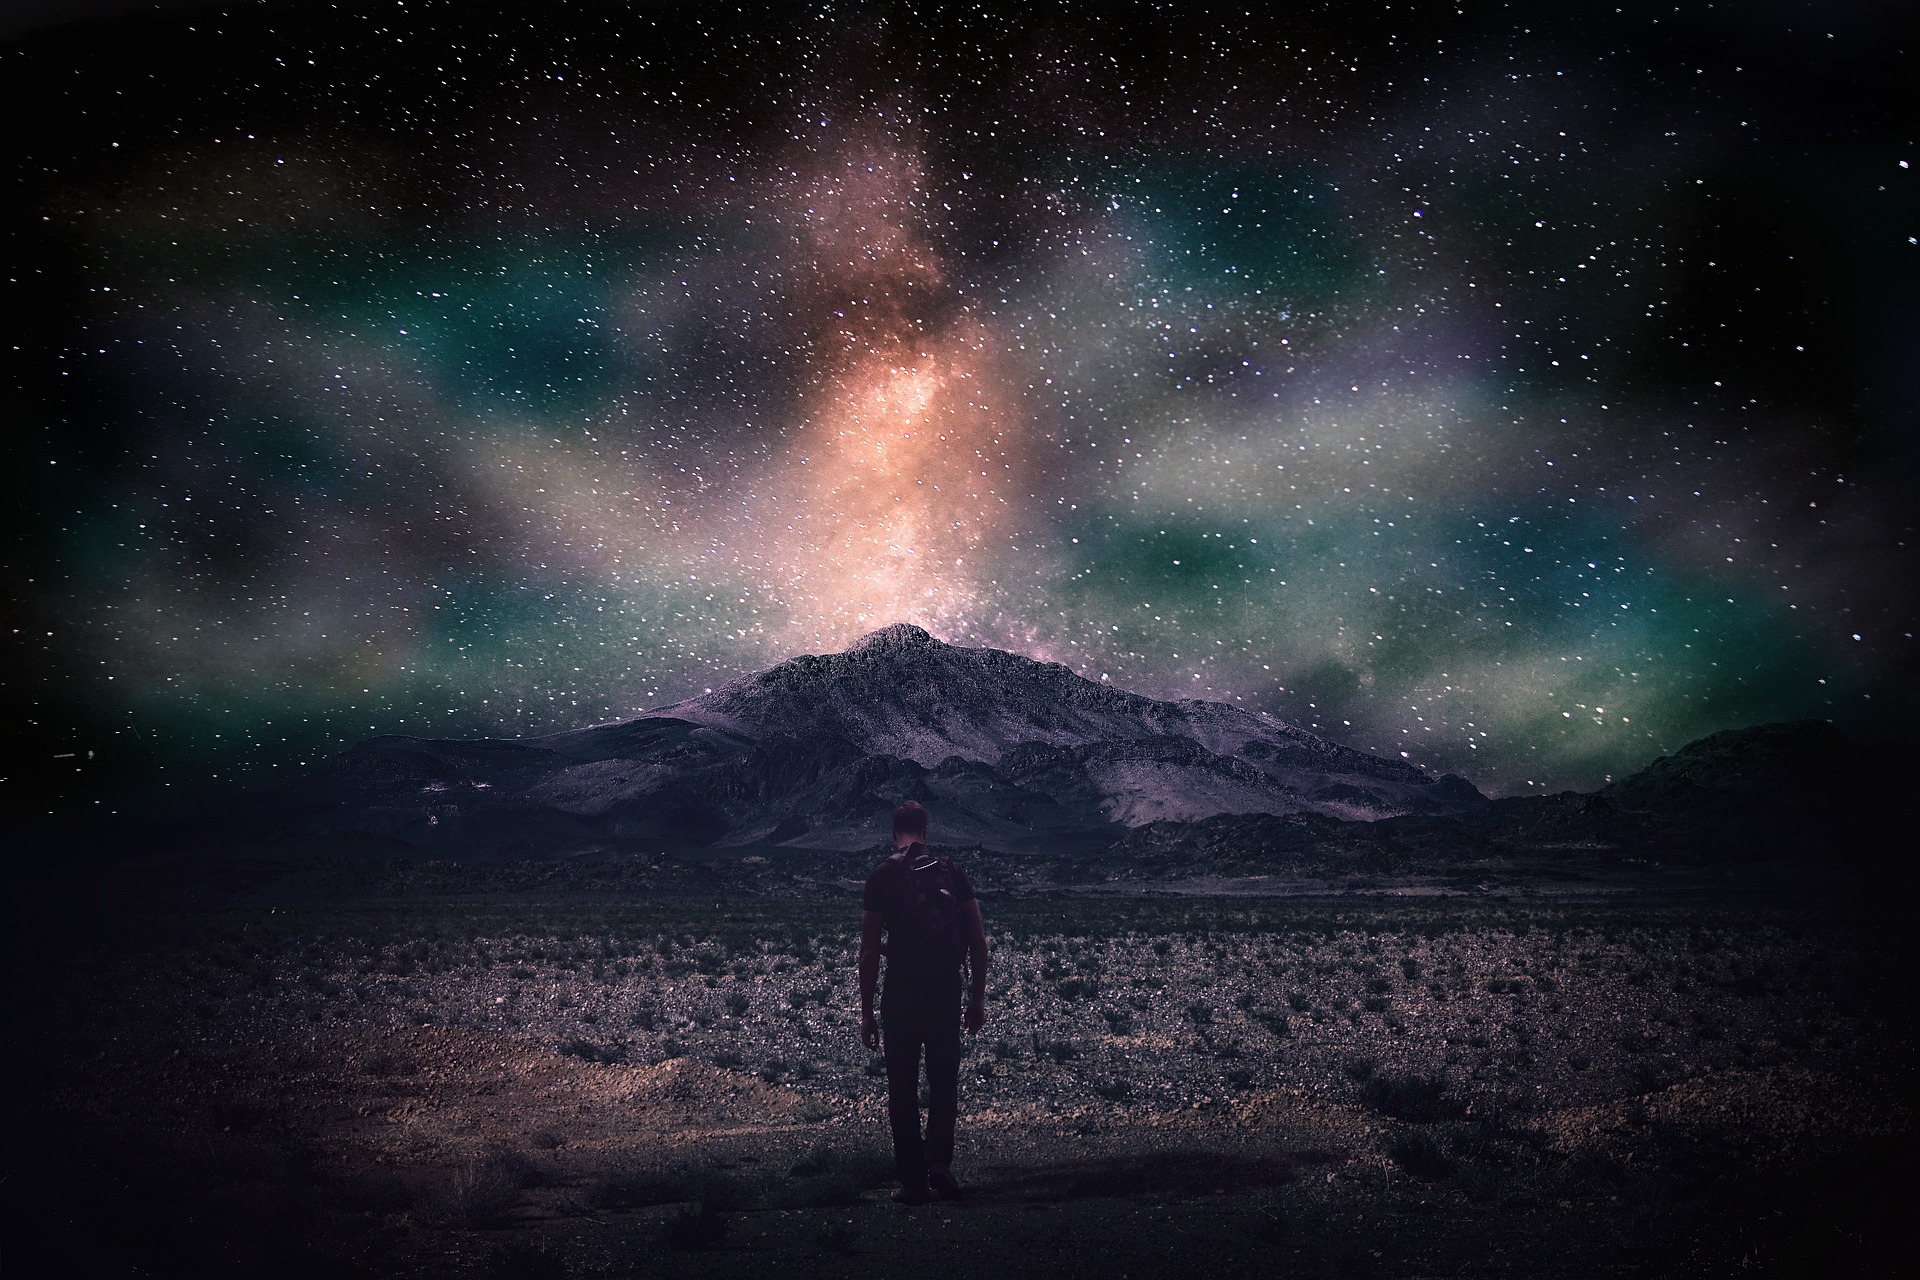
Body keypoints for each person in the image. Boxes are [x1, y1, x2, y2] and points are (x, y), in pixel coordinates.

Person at [859, 800, 989, 1204]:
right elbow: (979, 942)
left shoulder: (882, 875)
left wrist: (866, 1012)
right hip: (946, 992)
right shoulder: (951, 872)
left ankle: (913, 1181)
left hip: (901, 992)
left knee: (902, 1087)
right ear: (926, 831)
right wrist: (977, 999)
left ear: (894, 832)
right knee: (944, 1081)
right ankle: (940, 1166)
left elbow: (867, 950)